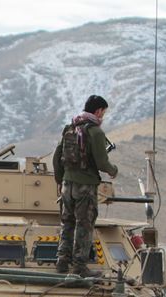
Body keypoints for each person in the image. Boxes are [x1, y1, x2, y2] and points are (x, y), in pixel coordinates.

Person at [52, 95, 118, 277]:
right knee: (84, 224)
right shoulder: (95, 132)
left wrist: (61, 180)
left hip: (67, 185)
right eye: (103, 112)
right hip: (85, 186)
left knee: (67, 223)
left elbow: (57, 157)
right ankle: (80, 266)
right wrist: (114, 170)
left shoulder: (70, 127)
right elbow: (102, 162)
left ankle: (62, 262)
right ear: (98, 111)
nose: (103, 116)